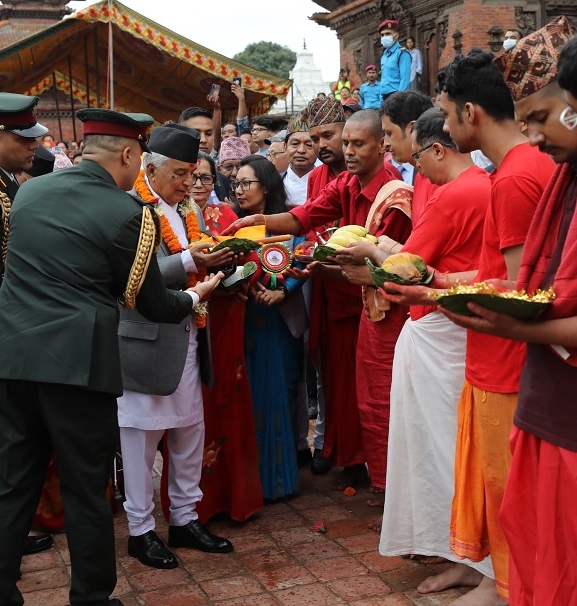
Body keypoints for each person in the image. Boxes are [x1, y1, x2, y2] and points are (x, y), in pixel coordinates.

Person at [0, 107, 223, 606]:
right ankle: (91, 597)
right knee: (86, 489)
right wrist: (197, 294)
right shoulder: (128, 213)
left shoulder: (29, 192)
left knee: (14, 481)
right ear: (127, 154)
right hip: (78, 367)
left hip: (13, 356)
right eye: (138, 159)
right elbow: (151, 303)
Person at [381, 47, 557, 605]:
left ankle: (505, 587)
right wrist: (433, 281)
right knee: (485, 479)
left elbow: (524, 295)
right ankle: (489, 575)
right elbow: (499, 275)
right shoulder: (517, 170)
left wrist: (431, 289)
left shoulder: (512, 179)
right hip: (490, 354)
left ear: (469, 114)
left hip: (505, 360)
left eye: (446, 110)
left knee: (504, 483)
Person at [223, 111, 409, 498]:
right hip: (343, 300)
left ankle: (391, 482)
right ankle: (368, 469)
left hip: (381, 309)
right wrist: (257, 220)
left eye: (359, 144)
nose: (349, 151)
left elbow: (390, 268)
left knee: (380, 395)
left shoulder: (393, 194)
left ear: (381, 145)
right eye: (347, 144)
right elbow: (306, 216)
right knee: (347, 389)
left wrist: (315, 268)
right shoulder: (345, 183)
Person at [376, 108, 493, 586]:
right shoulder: (485, 184)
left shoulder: (455, 194)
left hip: (439, 326)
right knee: (453, 446)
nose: (415, 166)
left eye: (418, 153)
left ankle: (478, 559)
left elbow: (406, 267)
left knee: (446, 448)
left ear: (439, 148)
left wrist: (370, 252)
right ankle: (469, 556)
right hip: (459, 328)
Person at [120, 124, 234, 570]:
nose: (189, 184)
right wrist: (191, 260)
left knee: (189, 431)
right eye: (181, 174)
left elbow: (196, 262)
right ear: (150, 168)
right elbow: (133, 274)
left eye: (194, 174)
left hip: (189, 336)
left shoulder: (190, 210)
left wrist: (226, 267)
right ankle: (139, 530)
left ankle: (185, 519)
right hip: (146, 340)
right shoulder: (130, 208)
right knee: (141, 441)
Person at [159, 151, 263, 524]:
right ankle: (192, 509)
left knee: (228, 404)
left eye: (204, 178)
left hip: (226, 322)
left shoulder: (229, 218)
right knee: (189, 414)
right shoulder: (158, 214)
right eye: (188, 176)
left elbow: (257, 264)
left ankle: (234, 498)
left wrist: (238, 276)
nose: (195, 186)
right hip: (185, 325)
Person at [235, 155, 307, 501]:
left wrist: (282, 291)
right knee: (251, 398)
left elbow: (304, 262)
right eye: (235, 184)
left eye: (246, 183)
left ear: (265, 185)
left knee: (281, 392)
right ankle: (254, 480)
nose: (239, 191)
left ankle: (280, 480)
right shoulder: (232, 226)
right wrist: (247, 287)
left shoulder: (290, 222)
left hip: (280, 322)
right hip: (247, 320)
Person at [300, 97, 348, 476]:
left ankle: (355, 451)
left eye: (329, 135)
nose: (322, 145)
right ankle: (326, 443)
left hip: (357, 286)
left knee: (354, 371)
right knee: (324, 366)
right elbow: (310, 220)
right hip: (323, 282)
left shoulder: (375, 171)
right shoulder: (317, 177)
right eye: (317, 138)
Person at [380, 91, 437, 223]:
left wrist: (389, 245)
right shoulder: (419, 177)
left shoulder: (438, 180)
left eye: (389, 133)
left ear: (412, 129)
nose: (386, 143)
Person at [178, 106, 229, 202]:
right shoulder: (167, 178)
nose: (203, 140)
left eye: (209, 133)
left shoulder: (222, 180)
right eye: (195, 133)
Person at [378, 19, 411, 100]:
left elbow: (405, 79)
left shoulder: (402, 53)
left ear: (396, 36)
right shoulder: (384, 56)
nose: (384, 37)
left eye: (388, 34)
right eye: (382, 35)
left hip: (396, 95)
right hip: (384, 96)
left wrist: (399, 99)